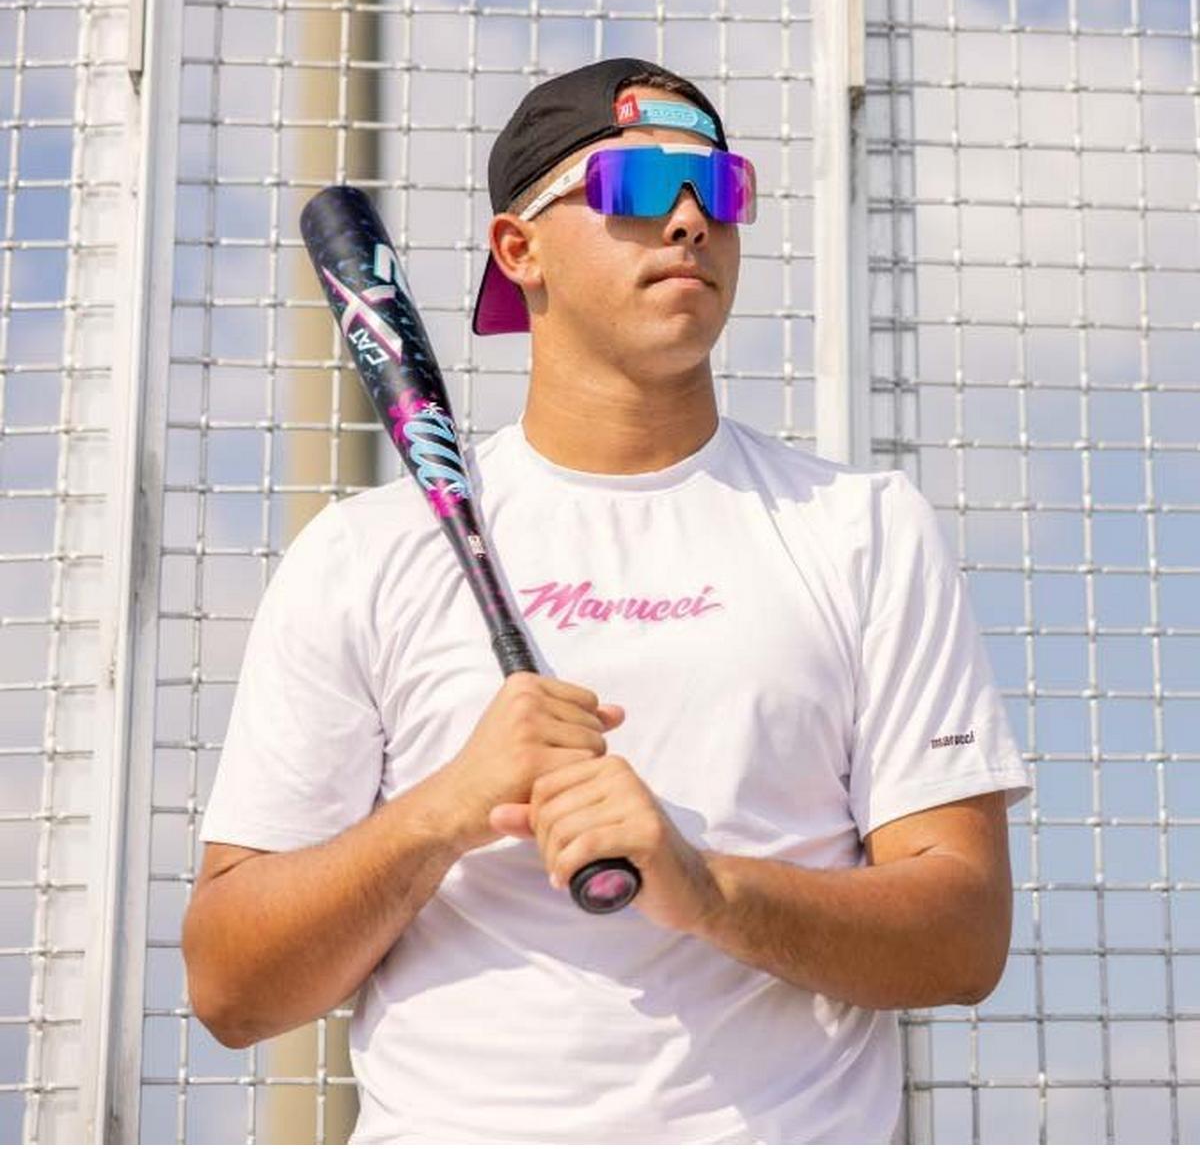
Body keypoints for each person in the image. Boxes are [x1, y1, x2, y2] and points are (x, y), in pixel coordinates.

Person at [183, 57, 1032, 1144]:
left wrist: (708, 890)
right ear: (518, 250)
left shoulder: (862, 529)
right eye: (631, 188)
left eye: (718, 187)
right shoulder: (365, 554)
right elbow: (231, 987)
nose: (688, 220)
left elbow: (961, 940)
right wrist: (446, 809)